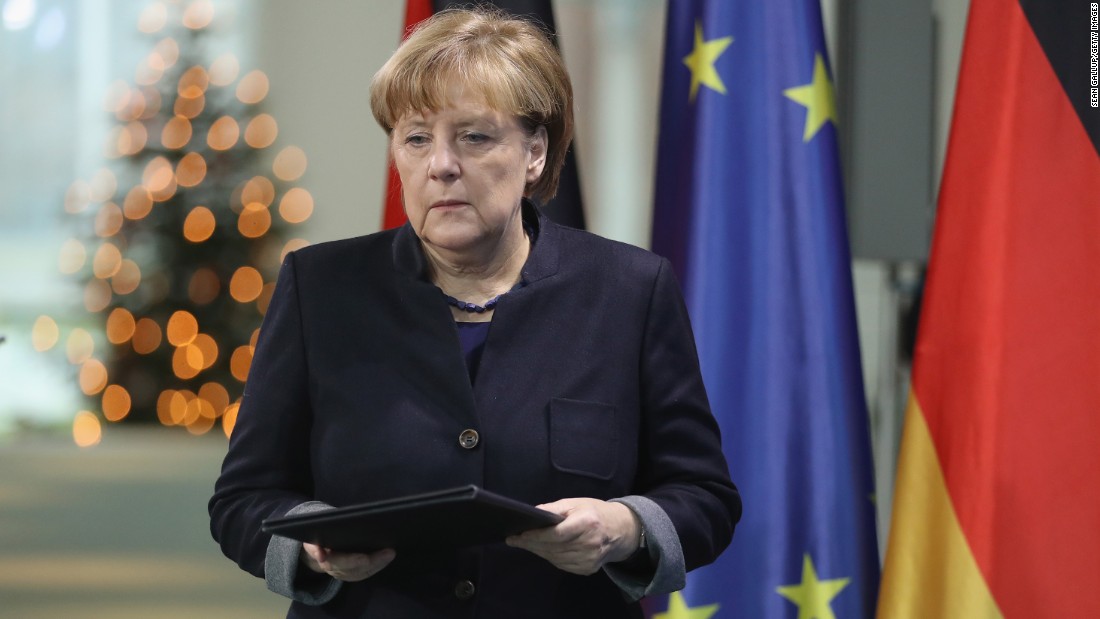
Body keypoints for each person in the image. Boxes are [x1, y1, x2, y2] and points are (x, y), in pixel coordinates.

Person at [209, 7, 741, 618]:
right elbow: (243, 498)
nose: (440, 164)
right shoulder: (321, 288)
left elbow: (705, 497)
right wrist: (307, 541)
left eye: (474, 136)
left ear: (534, 153)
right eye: (416, 138)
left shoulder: (629, 290)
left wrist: (623, 526)